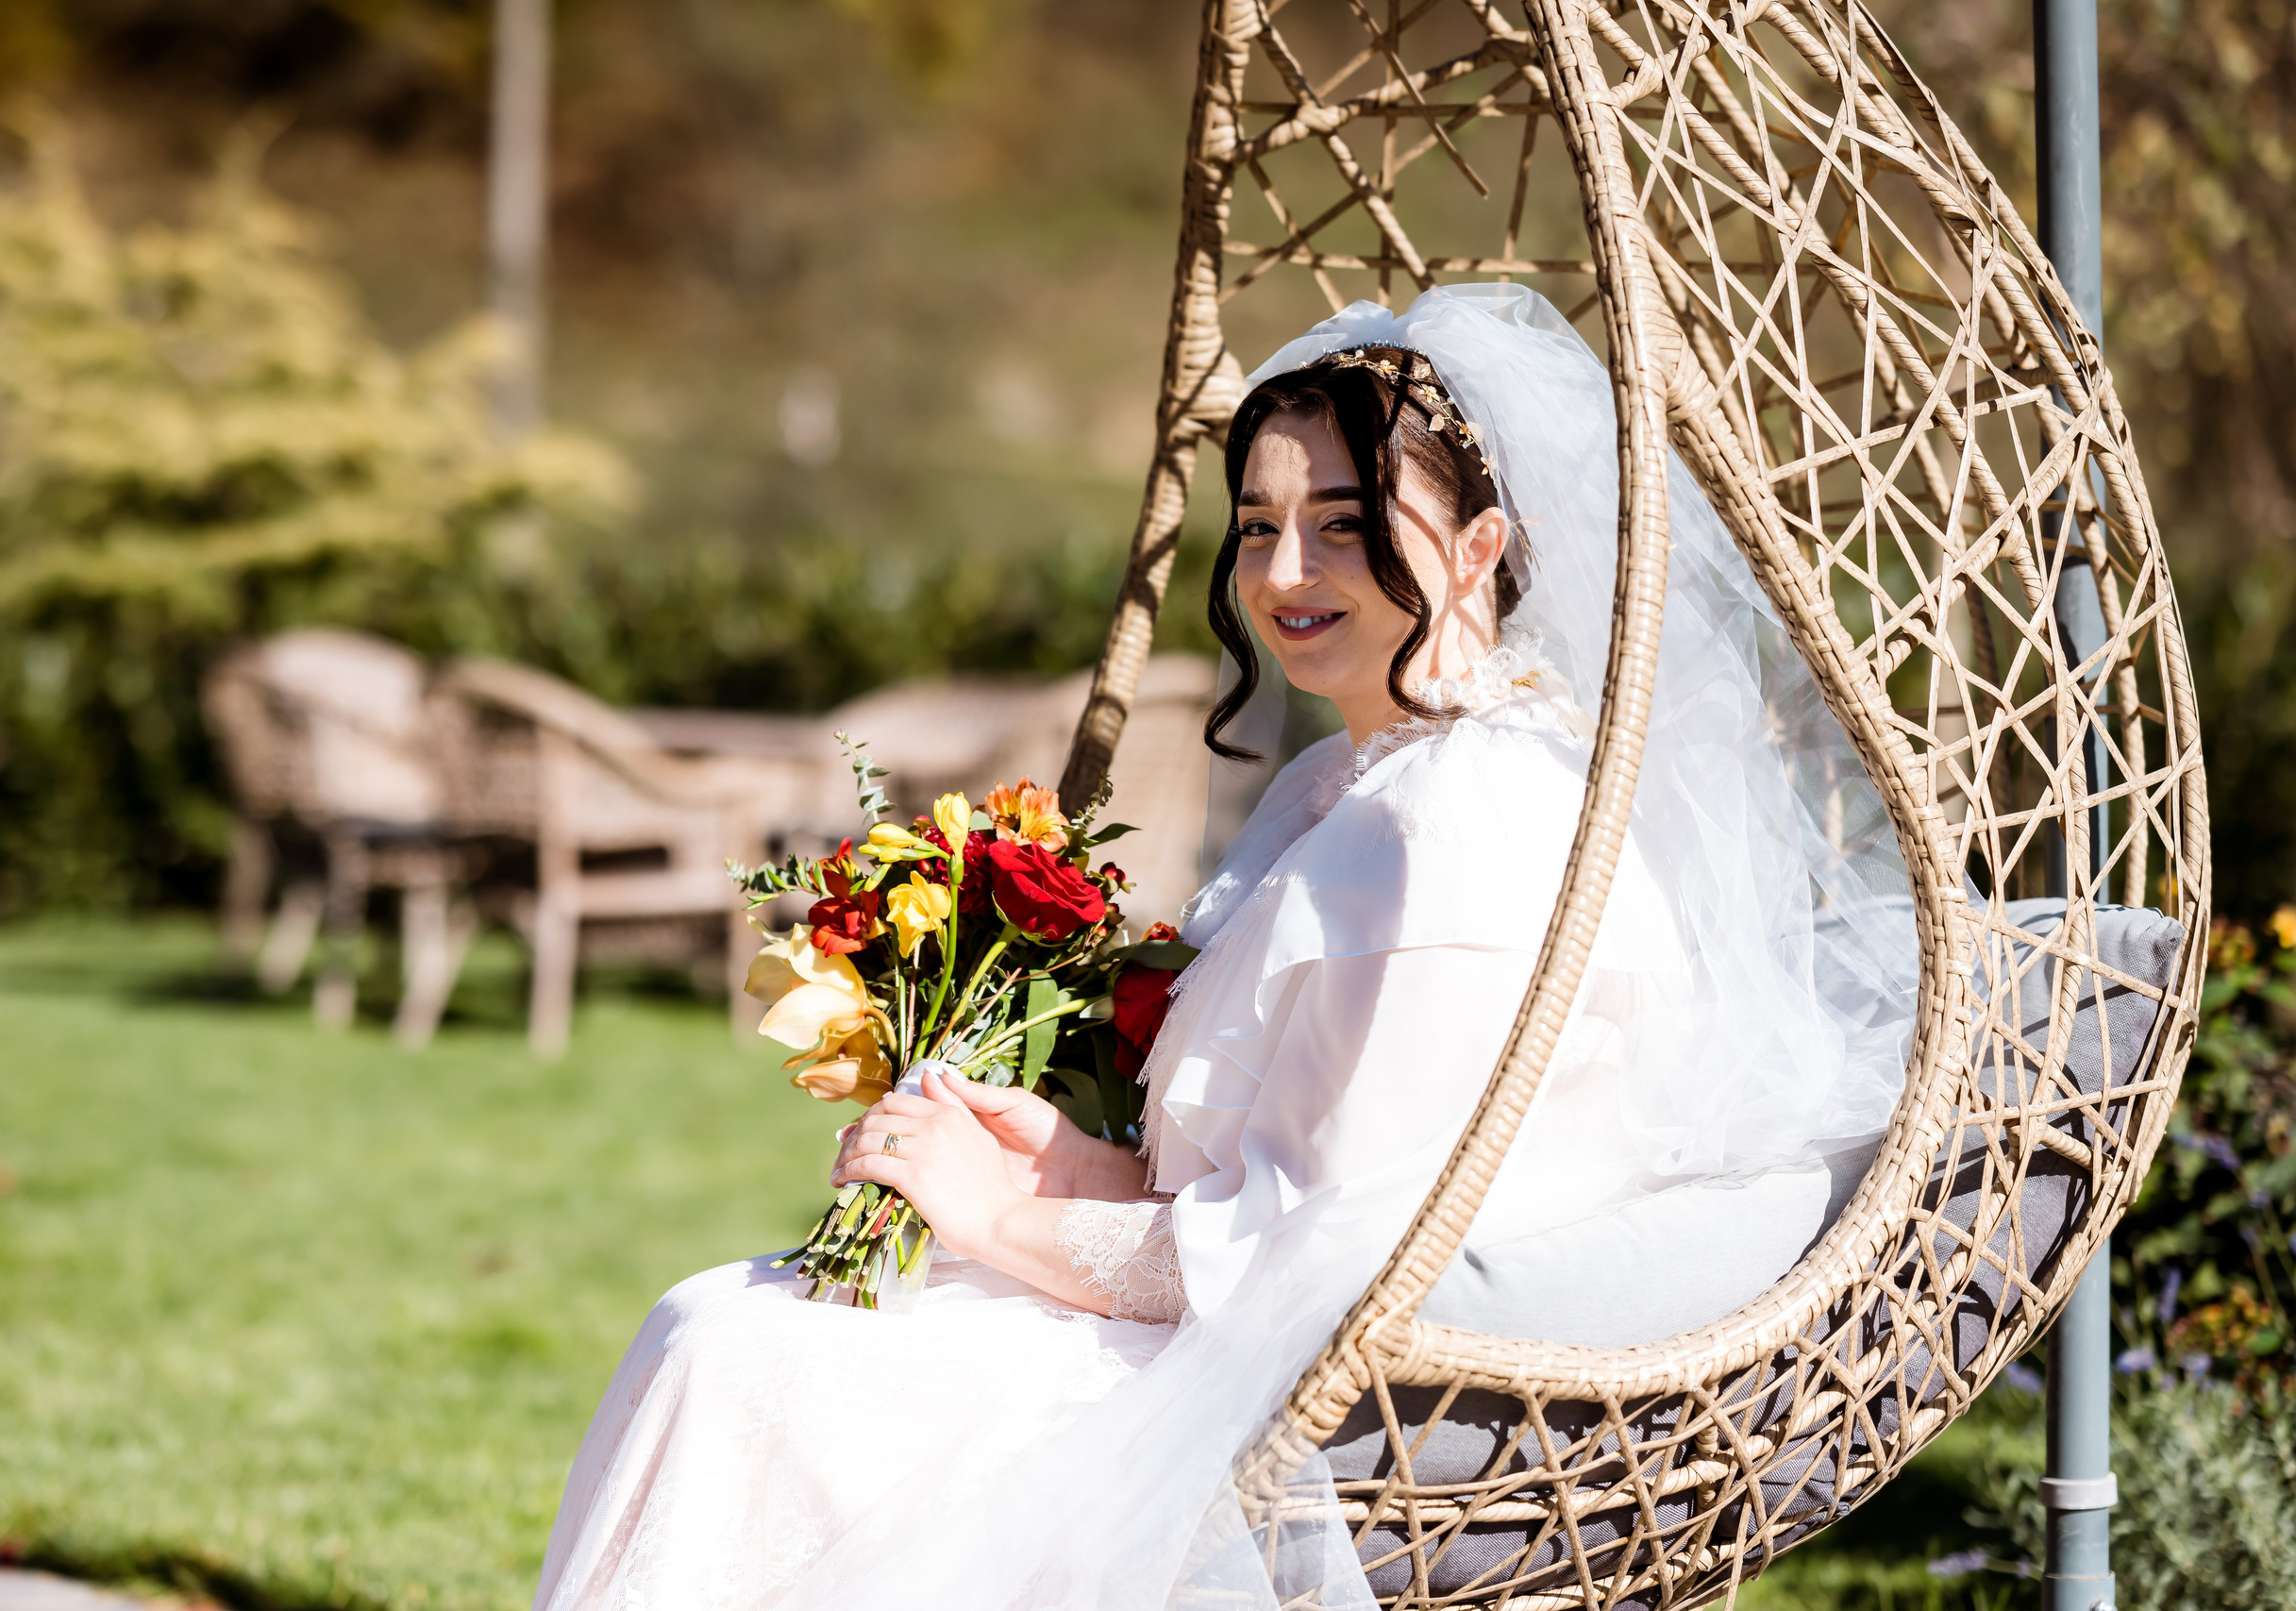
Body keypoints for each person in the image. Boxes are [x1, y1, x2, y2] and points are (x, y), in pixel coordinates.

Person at [529, 284, 1916, 1611]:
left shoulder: (1460, 829)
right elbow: (1301, 1153)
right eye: (1257, 527)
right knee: (735, 1331)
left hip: (1292, 1417)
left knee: (736, 1351)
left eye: (1343, 523)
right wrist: (1076, 1165)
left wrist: (1005, 1221)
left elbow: (1327, 1265)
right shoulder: (1362, 786)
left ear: (1482, 548)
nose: (1285, 573)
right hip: (1222, 1340)